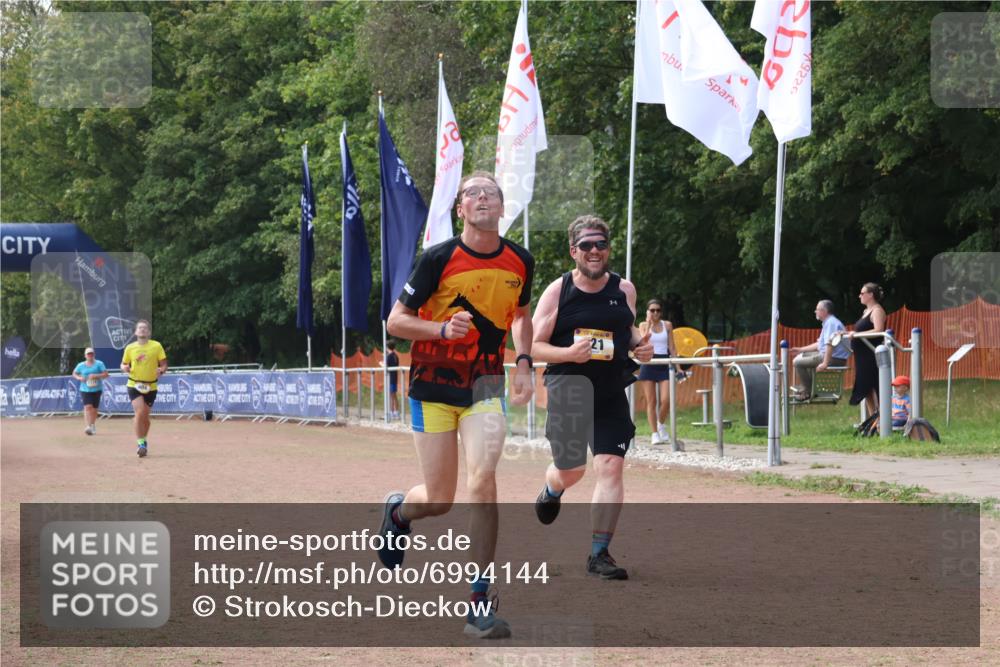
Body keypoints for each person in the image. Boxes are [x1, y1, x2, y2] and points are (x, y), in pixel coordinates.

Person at [382, 171, 535, 639]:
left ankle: (478, 601)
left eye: (491, 192)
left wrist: (525, 361)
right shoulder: (438, 258)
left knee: (483, 481)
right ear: (461, 209)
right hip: (432, 388)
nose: (483, 197)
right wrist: (441, 330)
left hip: (484, 386)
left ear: (501, 206)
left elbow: (523, 317)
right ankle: (398, 512)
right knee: (440, 499)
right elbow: (396, 322)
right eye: (473, 192)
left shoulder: (520, 261)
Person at [531, 215, 654, 581]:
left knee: (610, 466)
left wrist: (639, 346)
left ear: (608, 248)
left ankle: (599, 554)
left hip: (610, 389)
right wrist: (569, 353)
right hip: (568, 389)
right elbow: (534, 346)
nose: (595, 251)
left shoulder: (624, 289)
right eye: (586, 245)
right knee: (572, 469)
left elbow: (627, 329)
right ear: (574, 251)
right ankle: (552, 488)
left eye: (600, 244)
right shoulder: (559, 291)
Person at [120, 320, 167, 457]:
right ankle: (140, 443)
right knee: (140, 412)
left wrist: (161, 370)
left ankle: (144, 440)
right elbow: (123, 364)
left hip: (151, 385)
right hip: (134, 384)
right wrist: (124, 368)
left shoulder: (156, 346)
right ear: (135, 332)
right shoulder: (130, 348)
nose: (142, 330)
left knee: (145, 417)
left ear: (149, 332)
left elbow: (164, 364)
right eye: (140, 328)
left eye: (145, 328)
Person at [789, 300, 851, 401]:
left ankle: (808, 391)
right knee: (803, 356)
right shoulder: (829, 322)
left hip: (833, 358)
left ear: (824, 311)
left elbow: (829, 344)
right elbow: (820, 344)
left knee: (797, 362)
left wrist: (825, 363)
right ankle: (809, 387)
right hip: (831, 355)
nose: (815, 312)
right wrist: (800, 349)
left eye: (817, 309)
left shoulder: (831, 323)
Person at [637, 298, 676, 445]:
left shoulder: (667, 325)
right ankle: (654, 433)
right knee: (651, 401)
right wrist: (648, 324)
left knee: (666, 399)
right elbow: (642, 342)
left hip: (664, 361)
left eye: (658, 310)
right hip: (649, 361)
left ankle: (661, 423)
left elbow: (671, 346)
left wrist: (678, 367)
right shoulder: (642, 325)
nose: (655, 313)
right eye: (652, 310)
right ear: (648, 311)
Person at [848, 282, 887, 415]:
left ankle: (882, 417)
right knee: (865, 387)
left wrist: (857, 335)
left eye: (862, 293)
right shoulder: (866, 311)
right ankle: (873, 418)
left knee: (876, 384)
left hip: (872, 354)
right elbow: (860, 331)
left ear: (871, 295)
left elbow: (878, 329)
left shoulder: (877, 310)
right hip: (861, 355)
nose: (860, 296)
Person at [72, 347, 108, 435]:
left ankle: (92, 425)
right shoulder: (81, 365)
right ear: (85, 356)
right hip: (85, 389)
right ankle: (88, 426)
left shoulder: (99, 364)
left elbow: (106, 374)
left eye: (91, 354)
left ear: (94, 355)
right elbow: (74, 373)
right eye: (88, 354)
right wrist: (80, 378)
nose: (90, 355)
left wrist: (96, 375)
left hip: (97, 389)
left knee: (94, 409)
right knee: (88, 407)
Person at [385, 341, 400, 420]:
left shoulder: (389, 356)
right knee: (393, 395)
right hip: (394, 377)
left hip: (391, 378)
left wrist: (382, 364)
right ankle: (394, 412)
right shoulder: (395, 356)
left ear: (387, 347)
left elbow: (386, 366)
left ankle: (394, 412)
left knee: (392, 396)